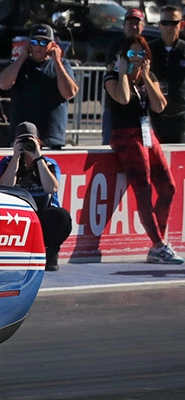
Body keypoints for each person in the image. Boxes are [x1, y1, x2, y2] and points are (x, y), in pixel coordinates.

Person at [104, 36, 184, 264]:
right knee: (144, 188)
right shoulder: (112, 76)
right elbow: (123, 98)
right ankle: (159, 244)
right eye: (132, 54)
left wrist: (147, 77)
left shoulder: (149, 77)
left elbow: (160, 106)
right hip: (125, 135)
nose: (137, 59)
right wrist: (122, 72)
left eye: (141, 54)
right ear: (123, 56)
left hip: (147, 133)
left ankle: (157, 241)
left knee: (168, 186)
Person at [0, 122, 72, 271]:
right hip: (18, 216)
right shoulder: (7, 163)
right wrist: (16, 158)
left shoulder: (49, 164)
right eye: (22, 142)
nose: (26, 147)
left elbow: (51, 188)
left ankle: (51, 251)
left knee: (62, 217)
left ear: (38, 142)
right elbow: (4, 188)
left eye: (30, 141)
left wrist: (38, 157)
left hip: (41, 214)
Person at [0, 24, 78, 150]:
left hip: (50, 137)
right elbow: (2, 83)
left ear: (53, 44)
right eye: (34, 42)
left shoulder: (62, 65)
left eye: (43, 42)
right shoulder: (19, 64)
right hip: (22, 135)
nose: (38, 46)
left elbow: (69, 92)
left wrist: (57, 61)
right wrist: (22, 57)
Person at [102, 9, 146, 145]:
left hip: (139, 109)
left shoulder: (147, 45)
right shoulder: (115, 45)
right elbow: (111, 69)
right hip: (116, 107)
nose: (133, 27)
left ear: (143, 26)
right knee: (110, 149)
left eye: (137, 24)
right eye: (130, 23)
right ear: (124, 26)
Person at [150, 6, 185, 144]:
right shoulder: (150, 49)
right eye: (165, 23)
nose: (169, 27)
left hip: (180, 116)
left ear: (181, 25)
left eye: (173, 23)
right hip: (154, 115)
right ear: (159, 25)